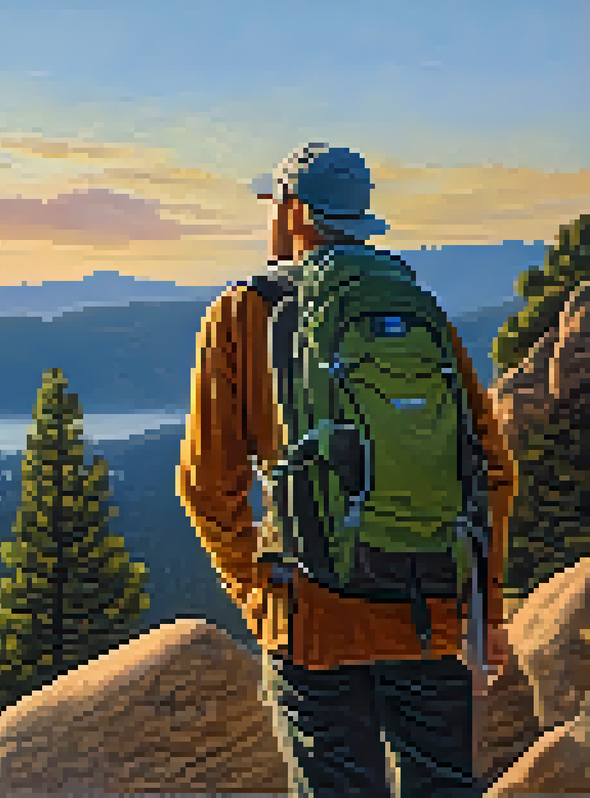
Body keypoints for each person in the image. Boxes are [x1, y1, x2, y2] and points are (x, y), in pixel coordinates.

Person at [177, 142, 518, 797]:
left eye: (276, 203)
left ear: (297, 212)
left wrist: (256, 590)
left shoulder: (245, 311)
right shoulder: (418, 309)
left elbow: (207, 484)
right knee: (444, 785)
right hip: (430, 605)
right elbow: (490, 469)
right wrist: (485, 609)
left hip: (312, 617)